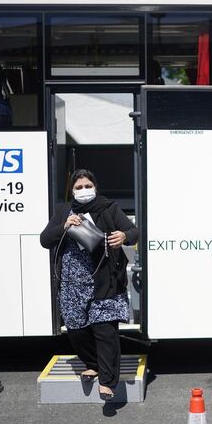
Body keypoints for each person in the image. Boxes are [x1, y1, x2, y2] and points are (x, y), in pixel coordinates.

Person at [40, 169, 139, 400]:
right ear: (72, 191)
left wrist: (124, 236)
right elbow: (45, 240)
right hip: (73, 283)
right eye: (78, 187)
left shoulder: (108, 208)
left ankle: (107, 382)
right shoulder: (64, 211)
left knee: (105, 331)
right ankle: (93, 364)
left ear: (95, 186)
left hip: (104, 279)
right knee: (76, 330)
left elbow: (133, 232)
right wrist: (64, 226)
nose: (84, 190)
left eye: (87, 186)